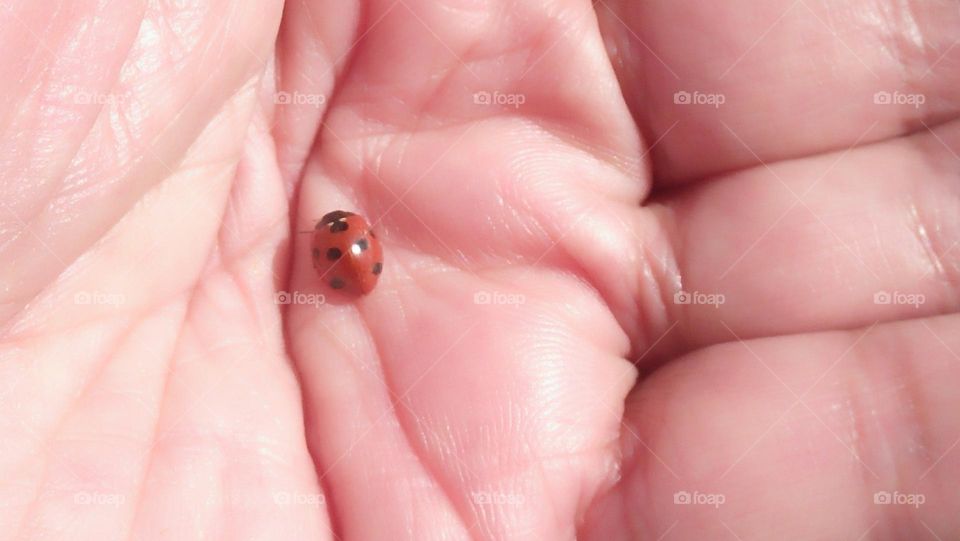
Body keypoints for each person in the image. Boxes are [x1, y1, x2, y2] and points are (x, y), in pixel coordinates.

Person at [1, 0, 957, 539]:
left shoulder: (335, 237)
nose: (340, 249)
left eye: (341, 251)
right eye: (343, 252)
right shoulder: (331, 235)